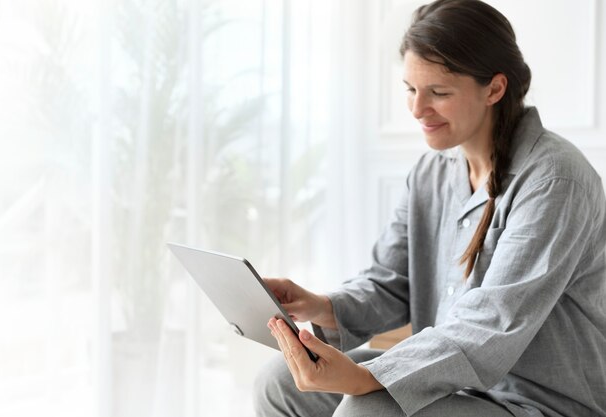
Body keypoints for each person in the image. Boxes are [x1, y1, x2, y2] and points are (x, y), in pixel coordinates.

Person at [253, 0, 606, 416]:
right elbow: (391, 282)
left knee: (368, 410)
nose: (417, 109)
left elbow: (493, 322)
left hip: (536, 403)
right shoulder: (431, 173)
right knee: (279, 382)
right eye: (410, 89)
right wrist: (320, 306)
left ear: (494, 88)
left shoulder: (554, 180)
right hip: (453, 387)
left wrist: (372, 379)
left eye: (438, 93)